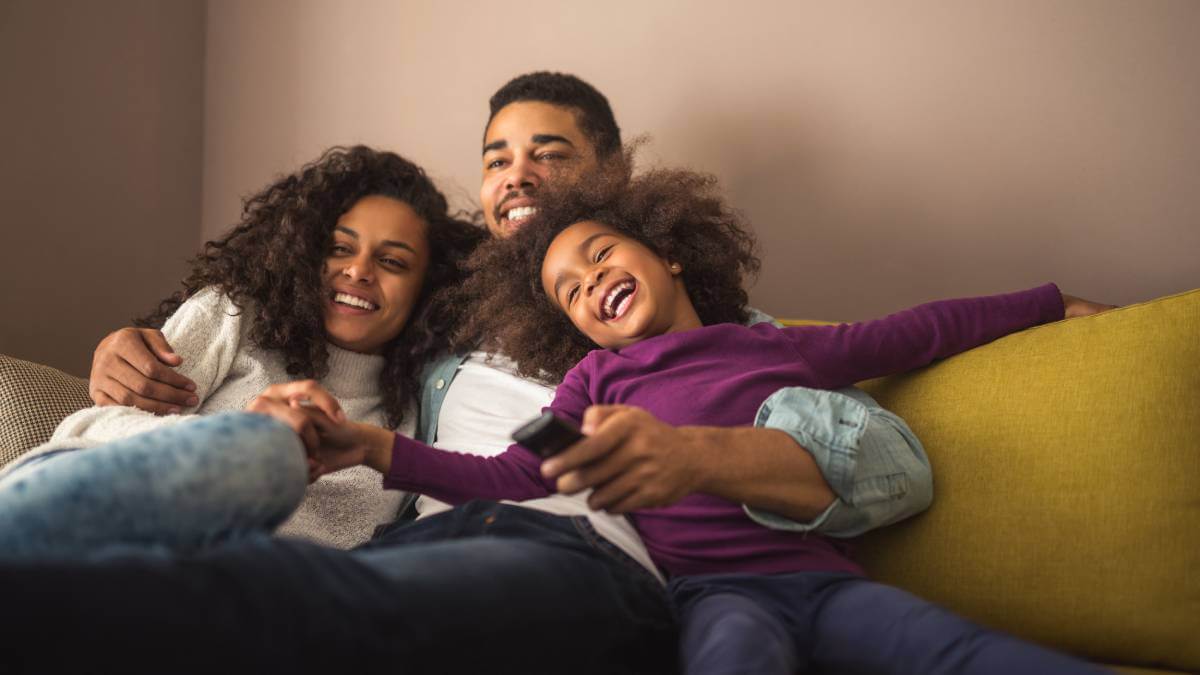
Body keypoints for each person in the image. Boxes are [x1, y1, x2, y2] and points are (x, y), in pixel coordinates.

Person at [2, 73, 935, 673]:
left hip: (577, 561)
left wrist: (690, 454)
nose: (516, 175)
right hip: (424, 540)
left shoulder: (700, 333)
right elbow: (309, 312)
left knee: (313, 606)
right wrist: (129, 342)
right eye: (496, 159)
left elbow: (892, 468)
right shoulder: (438, 325)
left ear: (610, 178)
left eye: (549, 154)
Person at [303, 165, 1113, 674]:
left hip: (825, 585)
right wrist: (377, 446)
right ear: (571, 328)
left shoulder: (772, 347)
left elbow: (919, 329)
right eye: (568, 292)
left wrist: (1051, 303)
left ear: (670, 252)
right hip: (714, 597)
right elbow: (514, 474)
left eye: (599, 255)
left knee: (961, 651)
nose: (590, 284)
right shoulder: (592, 381)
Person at [0, 145, 485, 554]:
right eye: (339, 248)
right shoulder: (237, 314)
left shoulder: (418, 410)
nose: (358, 271)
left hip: (231, 589)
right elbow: (91, 427)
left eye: (391, 261)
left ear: (428, 289)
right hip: (92, 509)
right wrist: (245, 442)